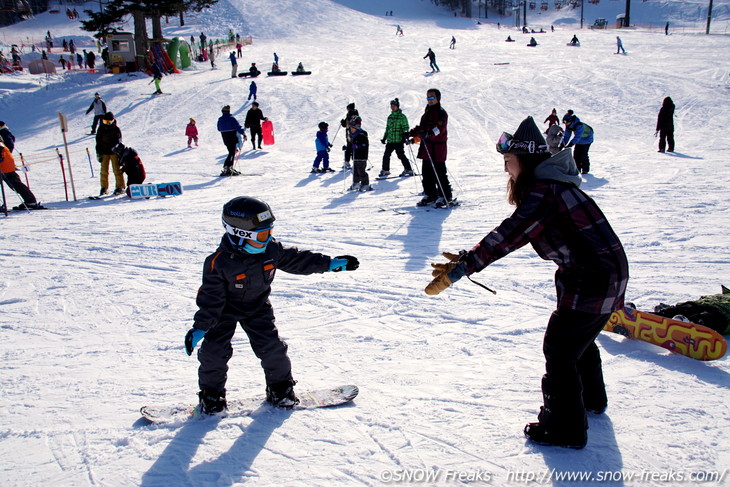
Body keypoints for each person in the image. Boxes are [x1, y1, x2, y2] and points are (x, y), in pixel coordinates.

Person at [425, 116, 629, 449]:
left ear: (524, 160)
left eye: (508, 162)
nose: (506, 170)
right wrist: (468, 257)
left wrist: (467, 265)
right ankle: (591, 400)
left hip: (592, 278)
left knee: (560, 348)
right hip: (606, 274)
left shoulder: (545, 191)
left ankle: (564, 429)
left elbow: (511, 233)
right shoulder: (554, 185)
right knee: (579, 341)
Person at [184, 196, 360, 414]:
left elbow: (297, 260)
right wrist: (201, 326)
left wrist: (330, 263)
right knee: (214, 353)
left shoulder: (270, 250)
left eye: (270, 232)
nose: (268, 239)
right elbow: (211, 298)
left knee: (273, 349)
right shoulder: (218, 262)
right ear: (241, 235)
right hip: (223, 312)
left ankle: (280, 389)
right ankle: (212, 396)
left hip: (257, 308)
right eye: (263, 234)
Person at [409, 88, 453, 208]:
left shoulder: (441, 113)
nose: (430, 100)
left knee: (439, 172)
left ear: (438, 98)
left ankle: (445, 196)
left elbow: (440, 128)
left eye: (432, 97)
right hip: (427, 147)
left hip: (438, 147)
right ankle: (430, 194)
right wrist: (411, 133)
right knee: (426, 172)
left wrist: (429, 134)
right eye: (428, 98)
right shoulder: (427, 112)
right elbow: (422, 128)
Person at [0, 139, 41, 210]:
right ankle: (30, 201)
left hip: (3, 167)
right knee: (16, 184)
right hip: (9, 166)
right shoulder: (2, 143)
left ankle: (30, 201)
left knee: (16, 184)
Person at [379, 98, 413, 178]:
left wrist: (405, 134)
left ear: (397, 106)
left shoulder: (402, 116)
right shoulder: (390, 117)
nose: (392, 107)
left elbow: (406, 126)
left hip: (398, 140)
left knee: (400, 155)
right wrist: (384, 138)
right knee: (386, 155)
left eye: (394, 106)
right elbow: (387, 129)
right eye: (391, 106)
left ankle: (408, 169)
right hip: (390, 140)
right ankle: (385, 170)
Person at [95, 111, 125, 196]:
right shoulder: (101, 128)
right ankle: (104, 187)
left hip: (114, 152)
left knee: (116, 169)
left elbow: (119, 141)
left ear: (113, 121)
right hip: (104, 152)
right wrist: (98, 152)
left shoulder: (116, 129)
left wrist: (117, 149)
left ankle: (120, 186)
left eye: (109, 122)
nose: (107, 124)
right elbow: (98, 141)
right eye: (105, 122)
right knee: (104, 171)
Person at [217, 105, 247, 176]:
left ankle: (228, 167)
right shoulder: (232, 119)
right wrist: (244, 134)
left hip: (225, 137)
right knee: (232, 152)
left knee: (231, 152)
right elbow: (238, 127)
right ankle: (227, 167)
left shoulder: (220, 119)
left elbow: (218, 128)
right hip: (232, 136)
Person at [347, 117, 372, 191]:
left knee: (361, 171)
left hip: (362, 157)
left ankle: (365, 184)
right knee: (355, 171)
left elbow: (364, 145)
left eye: (353, 128)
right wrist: (348, 148)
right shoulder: (353, 136)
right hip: (355, 157)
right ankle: (356, 183)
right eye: (351, 128)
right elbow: (351, 145)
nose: (351, 130)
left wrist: (358, 146)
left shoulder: (362, 135)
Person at [340, 102, 359, 170]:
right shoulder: (354, 114)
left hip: (351, 132)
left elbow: (347, 124)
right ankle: (354, 161)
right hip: (353, 132)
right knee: (352, 146)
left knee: (350, 146)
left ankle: (348, 161)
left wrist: (343, 122)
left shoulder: (350, 114)